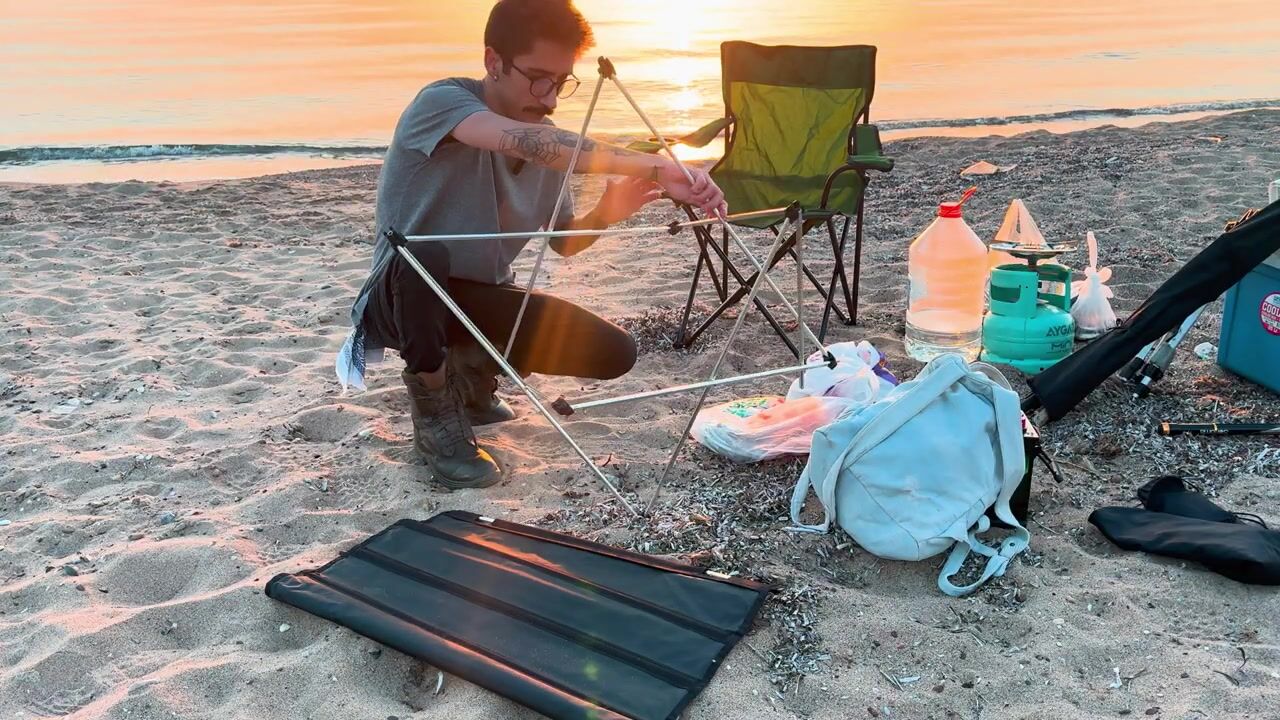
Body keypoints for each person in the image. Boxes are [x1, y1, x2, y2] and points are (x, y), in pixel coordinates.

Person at [336, 0, 727, 490]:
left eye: (561, 82)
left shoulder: (548, 142)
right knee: (424, 258)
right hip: (400, 297)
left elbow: (564, 242)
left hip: (482, 302)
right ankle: (436, 416)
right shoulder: (442, 102)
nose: (551, 99)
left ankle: (471, 374)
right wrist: (659, 165)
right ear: (493, 61)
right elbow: (511, 139)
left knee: (614, 352)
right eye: (538, 79)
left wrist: (608, 212)